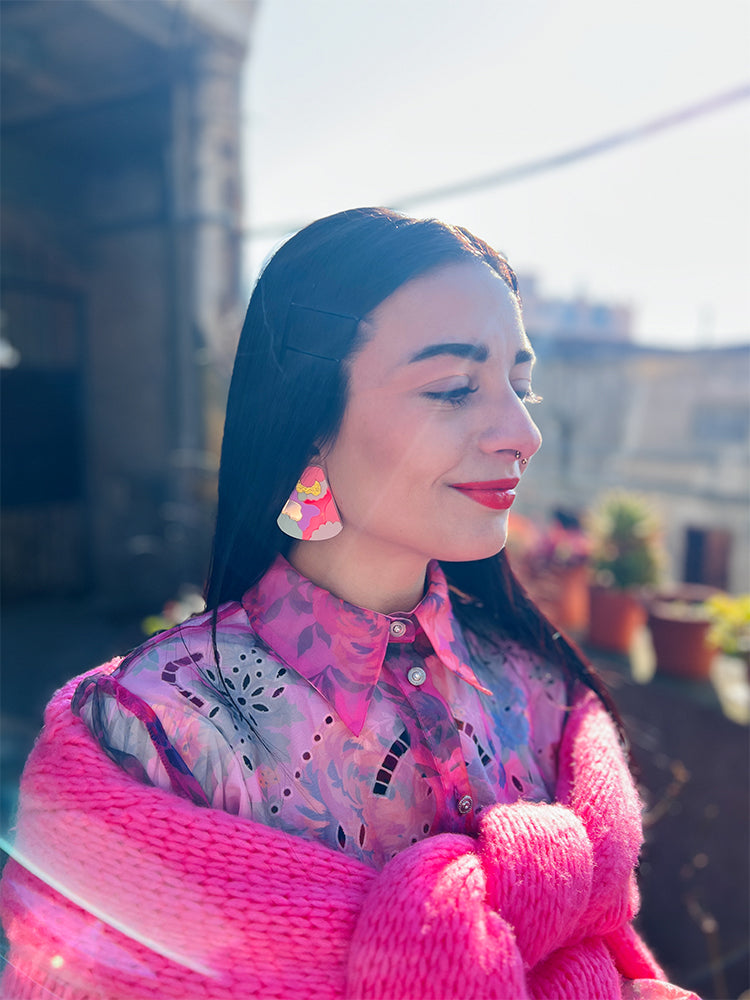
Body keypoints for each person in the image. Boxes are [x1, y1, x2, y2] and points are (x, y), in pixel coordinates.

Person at [1, 208, 696, 999]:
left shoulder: (539, 695)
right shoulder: (149, 737)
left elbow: (591, 948)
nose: (522, 432)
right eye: (454, 388)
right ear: (307, 423)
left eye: (521, 384)